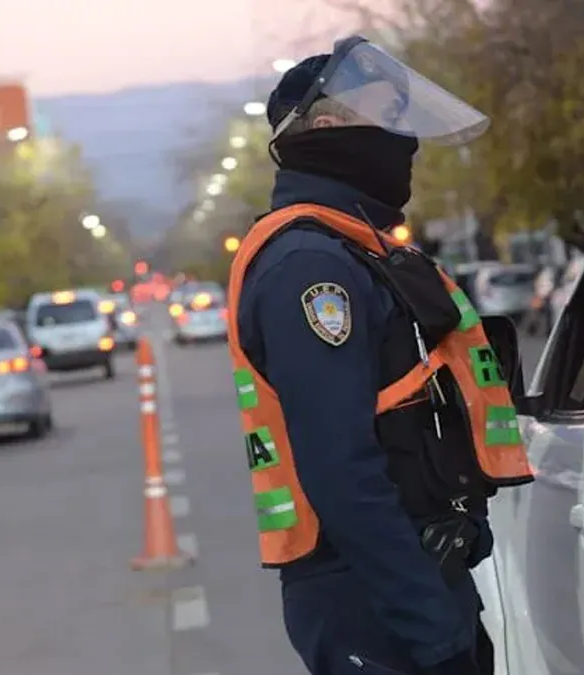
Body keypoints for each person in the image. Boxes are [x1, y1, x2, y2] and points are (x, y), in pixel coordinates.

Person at [224, 36, 535, 675]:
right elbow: (340, 468)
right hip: (370, 596)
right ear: (332, 129)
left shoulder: (361, 251)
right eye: (388, 119)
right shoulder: (311, 267)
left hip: (409, 579)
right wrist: (427, 623)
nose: (405, 140)